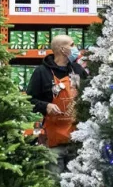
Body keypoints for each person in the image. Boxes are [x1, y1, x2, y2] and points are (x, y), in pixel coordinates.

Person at [25, 35, 88, 173]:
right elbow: (29, 100)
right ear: (62, 49)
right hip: (54, 142)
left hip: (77, 142)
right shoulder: (41, 72)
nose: (76, 49)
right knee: (55, 184)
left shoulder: (77, 70)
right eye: (72, 45)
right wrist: (45, 106)